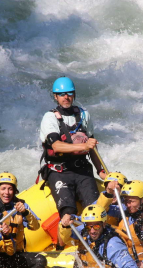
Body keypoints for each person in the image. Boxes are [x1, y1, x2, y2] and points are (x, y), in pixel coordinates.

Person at [37, 76, 107, 226]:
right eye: (62, 94)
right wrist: (83, 146)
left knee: (94, 210)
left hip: (82, 170)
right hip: (59, 172)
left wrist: (100, 170)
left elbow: (92, 146)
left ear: (74, 95)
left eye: (69, 93)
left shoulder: (84, 115)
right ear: (56, 96)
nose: (66, 97)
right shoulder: (50, 117)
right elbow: (56, 146)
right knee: (68, 213)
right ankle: (65, 241)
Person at [53, 205, 139, 268]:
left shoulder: (113, 244)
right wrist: (65, 226)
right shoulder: (85, 230)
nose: (92, 231)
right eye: (89, 227)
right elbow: (67, 238)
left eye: (96, 226)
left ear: (104, 224)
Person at [0, 172, 47, 268]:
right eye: (3, 188)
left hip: (16, 255)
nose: (6, 193)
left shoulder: (21, 205)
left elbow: (35, 227)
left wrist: (25, 212)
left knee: (40, 259)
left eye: (10, 189)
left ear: (14, 190)